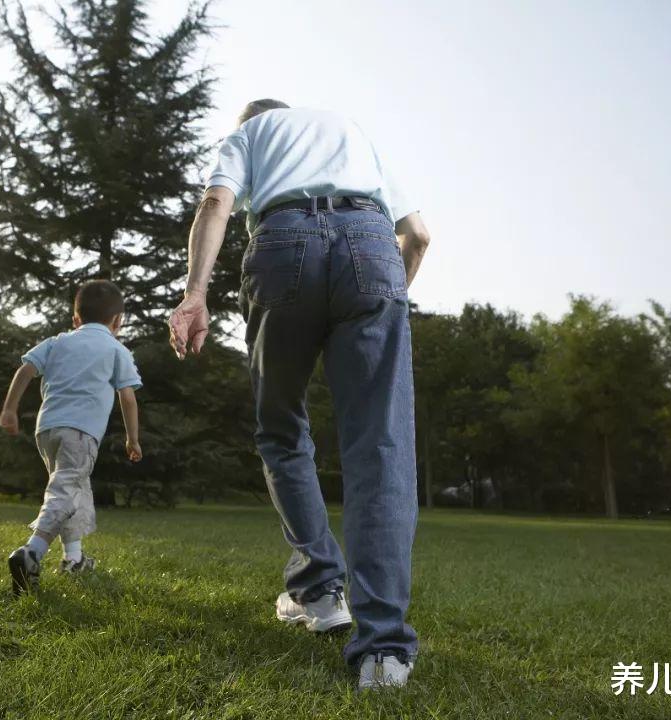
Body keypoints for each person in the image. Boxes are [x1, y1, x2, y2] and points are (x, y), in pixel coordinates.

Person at [167, 100, 432, 690]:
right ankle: (383, 654)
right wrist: (382, 299)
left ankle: (318, 590)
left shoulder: (250, 133)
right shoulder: (350, 131)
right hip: (373, 246)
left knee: (282, 428)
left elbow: (216, 203)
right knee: (381, 445)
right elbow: (417, 236)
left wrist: (195, 294)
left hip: (283, 248)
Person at [0, 279, 143, 595]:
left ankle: (73, 559)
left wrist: (9, 410)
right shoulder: (116, 349)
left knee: (74, 489)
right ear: (118, 321)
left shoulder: (57, 342)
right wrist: (133, 439)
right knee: (66, 489)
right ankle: (32, 551)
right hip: (81, 432)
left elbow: (25, 370)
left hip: (47, 430)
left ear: (76, 318)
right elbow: (128, 397)